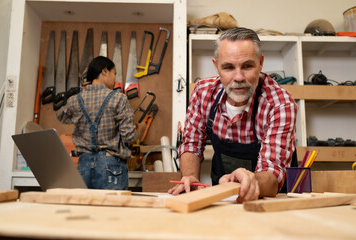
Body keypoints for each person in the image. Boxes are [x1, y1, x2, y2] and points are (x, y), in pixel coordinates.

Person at [168, 27, 297, 202]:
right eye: (228, 67)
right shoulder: (203, 93)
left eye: (247, 66)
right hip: (223, 198)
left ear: (261, 63)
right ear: (216, 66)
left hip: (268, 201)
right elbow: (191, 144)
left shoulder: (280, 103)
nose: (238, 77)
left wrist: (249, 182)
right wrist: (190, 177)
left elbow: (272, 175)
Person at [57, 56, 137, 190]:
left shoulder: (75, 100)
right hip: (112, 166)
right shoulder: (119, 98)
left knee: (87, 209)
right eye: (114, 73)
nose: (115, 79)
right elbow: (130, 137)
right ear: (105, 71)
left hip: (84, 165)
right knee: (112, 210)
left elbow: (61, 116)